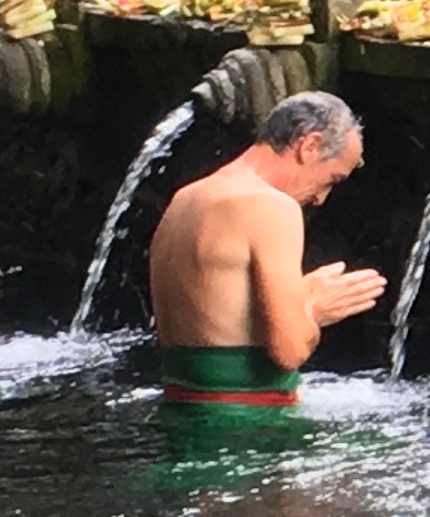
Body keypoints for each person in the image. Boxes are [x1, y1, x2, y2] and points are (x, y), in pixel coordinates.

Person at [146, 92, 384, 410]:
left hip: (182, 410)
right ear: (309, 146)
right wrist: (312, 307)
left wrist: (300, 293)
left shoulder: (188, 197)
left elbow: (222, 311)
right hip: (246, 423)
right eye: (331, 180)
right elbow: (289, 351)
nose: (321, 199)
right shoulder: (272, 206)